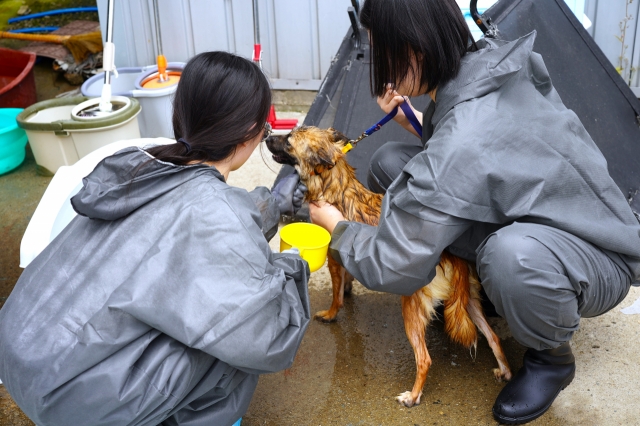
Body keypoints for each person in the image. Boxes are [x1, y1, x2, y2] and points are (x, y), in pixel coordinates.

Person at [309, 0, 640, 424]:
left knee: (510, 256)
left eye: (383, 51)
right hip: (543, 217)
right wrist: (413, 121)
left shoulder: (465, 134)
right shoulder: (487, 60)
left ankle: (551, 358)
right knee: (391, 163)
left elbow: (395, 263)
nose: (382, 65)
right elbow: (475, 153)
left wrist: (340, 228)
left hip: (594, 255)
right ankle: (499, 292)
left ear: (416, 50)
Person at [0, 51, 309, 426]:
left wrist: (272, 205)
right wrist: (292, 267)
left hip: (20, 356)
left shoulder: (142, 166)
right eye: (264, 130)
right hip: (72, 404)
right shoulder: (216, 212)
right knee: (232, 339)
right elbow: (268, 340)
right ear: (248, 132)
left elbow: (197, 226)